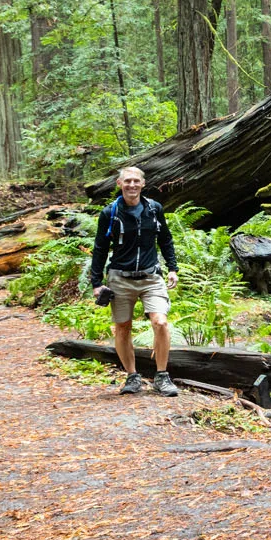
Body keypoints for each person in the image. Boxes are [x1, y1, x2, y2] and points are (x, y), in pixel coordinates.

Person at [89, 166, 182, 396]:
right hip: (120, 278)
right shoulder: (110, 213)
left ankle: (161, 376)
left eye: (136, 181)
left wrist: (172, 268)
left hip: (151, 277)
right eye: (127, 181)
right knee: (123, 327)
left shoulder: (154, 209)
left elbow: (165, 239)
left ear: (143, 184)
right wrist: (96, 283)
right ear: (119, 184)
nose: (132, 185)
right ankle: (132, 377)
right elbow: (100, 248)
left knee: (160, 322)